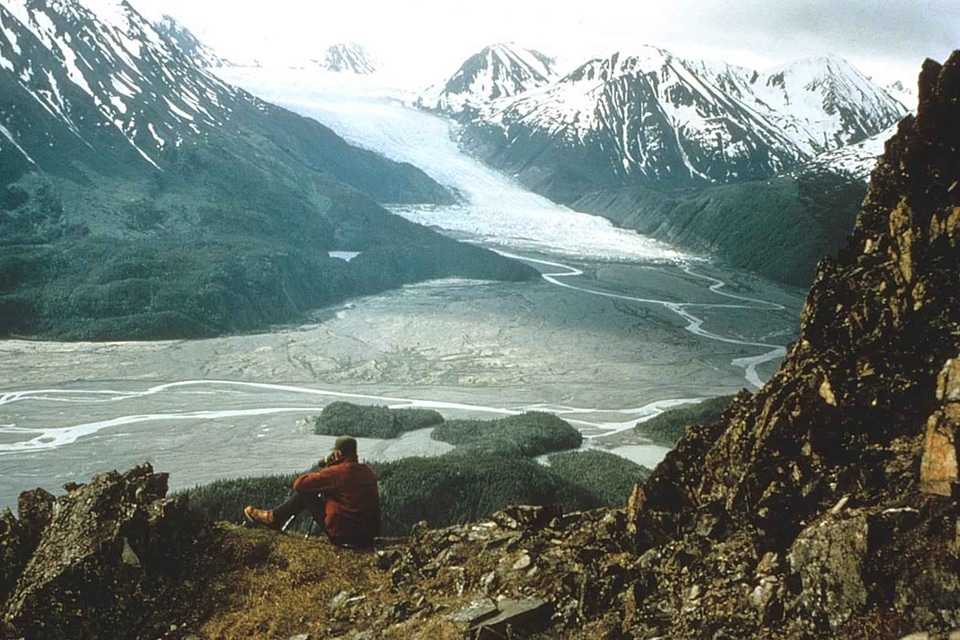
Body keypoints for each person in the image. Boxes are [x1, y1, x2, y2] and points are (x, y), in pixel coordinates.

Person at [244, 435, 381, 547]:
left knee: (305, 495)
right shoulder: (367, 471)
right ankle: (273, 517)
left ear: (338, 453)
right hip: (368, 537)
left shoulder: (337, 472)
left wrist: (326, 467)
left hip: (345, 536)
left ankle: (273, 518)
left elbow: (300, 484)